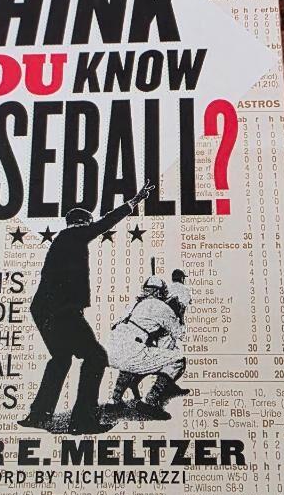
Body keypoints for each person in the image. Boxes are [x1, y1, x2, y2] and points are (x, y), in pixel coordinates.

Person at [18, 181, 154, 434]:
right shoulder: (73, 235)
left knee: (61, 358)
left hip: (44, 311)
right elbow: (105, 223)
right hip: (61, 311)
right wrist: (134, 201)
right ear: (82, 223)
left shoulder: (63, 243)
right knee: (96, 357)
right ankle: (82, 420)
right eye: (88, 224)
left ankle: (38, 415)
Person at [107, 275, 190, 420]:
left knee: (131, 358)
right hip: (132, 351)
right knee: (178, 360)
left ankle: (114, 401)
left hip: (110, 350)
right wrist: (180, 315)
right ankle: (149, 402)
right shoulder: (162, 307)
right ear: (159, 292)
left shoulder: (134, 304)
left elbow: (115, 325)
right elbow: (180, 334)